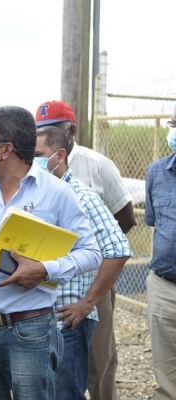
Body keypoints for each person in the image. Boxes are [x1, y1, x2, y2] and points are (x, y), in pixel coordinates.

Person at [0, 105, 102, 400]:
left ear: (6, 150)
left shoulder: (57, 193)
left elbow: (91, 252)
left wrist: (44, 270)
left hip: (30, 332)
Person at [35, 100, 136, 400]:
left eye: (49, 130)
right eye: (38, 130)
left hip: (92, 284)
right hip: (50, 295)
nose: (41, 136)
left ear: (70, 131)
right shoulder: (36, 177)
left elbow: (124, 221)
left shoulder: (95, 167)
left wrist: (90, 254)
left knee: (98, 361)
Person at [144, 107, 176, 400]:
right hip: (164, 287)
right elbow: (155, 223)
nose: (173, 131)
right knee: (166, 375)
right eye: (173, 123)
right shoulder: (157, 172)